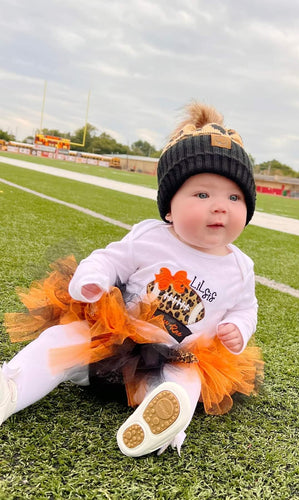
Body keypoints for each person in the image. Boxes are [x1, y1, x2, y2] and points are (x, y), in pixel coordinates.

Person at [1, 102, 263, 457]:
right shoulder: (151, 236)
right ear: (169, 207)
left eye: (235, 197)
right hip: (110, 345)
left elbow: (246, 308)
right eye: (202, 194)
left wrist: (238, 329)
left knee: (188, 381)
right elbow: (110, 258)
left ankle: (163, 422)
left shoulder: (240, 267)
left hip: (175, 358)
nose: (221, 206)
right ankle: (12, 387)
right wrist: (94, 277)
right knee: (60, 340)